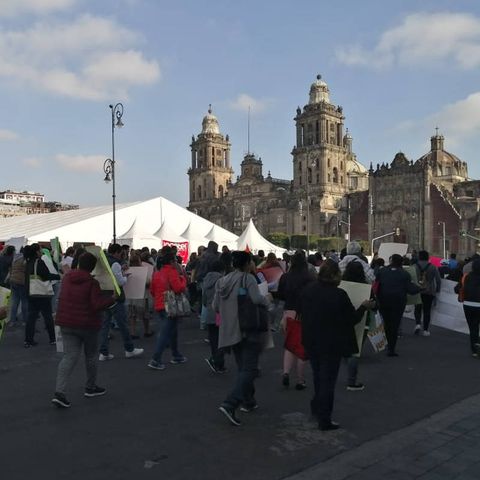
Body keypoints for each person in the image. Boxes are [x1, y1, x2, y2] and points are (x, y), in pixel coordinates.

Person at [299, 259, 372, 431]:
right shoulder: (338, 295)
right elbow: (352, 319)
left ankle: (316, 407)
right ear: (333, 275)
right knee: (328, 381)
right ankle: (324, 418)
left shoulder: (309, 290)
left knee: (318, 376)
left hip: (311, 340)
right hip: (331, 343)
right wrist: (363, 307)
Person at [51, 252, 117, 408]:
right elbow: (96, 305)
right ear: (93, 267)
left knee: (69, 357)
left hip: (66, 322)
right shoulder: (92, 283)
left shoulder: (67, 277)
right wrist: (111, 299)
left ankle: (59, 392)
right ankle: (90, 387)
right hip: (87, 324)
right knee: (91, 356)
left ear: (78, 263)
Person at [214, 251, 270, 426]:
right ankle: (231, 403)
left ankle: (248, 401)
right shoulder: (248, 279)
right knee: (250, 369)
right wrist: (267, 299)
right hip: (248, 328)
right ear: (247, 264)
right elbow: (256, 298)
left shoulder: (222, 281)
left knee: (243, 367)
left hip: (230, 329)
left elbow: (215, 306)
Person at [98, 243, 144, 361]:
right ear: (117, 252)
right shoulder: (115, 263)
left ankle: (103, 352)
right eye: (121, 253)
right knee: (123, 324)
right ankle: (129, 349)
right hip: (116, 297)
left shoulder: (103, 261)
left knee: (105, 326)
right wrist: (125, 277)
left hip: (104, 296)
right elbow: (120, 282)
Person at [277, 251, 315, 390]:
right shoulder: (310, 278)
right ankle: (300, 380)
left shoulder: (285, 277)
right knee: (301, 347)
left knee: (289, 345)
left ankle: (286, 372)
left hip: (288, 313)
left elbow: (280, 295)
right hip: (304, 314)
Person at [148, 247, 188, 370]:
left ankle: (176, 354)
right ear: (171, 261)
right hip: (170, 306)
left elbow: (152, 290)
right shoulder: (172, 272)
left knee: (171, 331)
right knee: (165, 333)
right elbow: (178, 288)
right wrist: (183, 278)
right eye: (175, 260)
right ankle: (156, 359)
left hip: (160, 305)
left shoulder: (157, 272)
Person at [375, 254, 421, 356]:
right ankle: (391, 348)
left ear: (391, 261)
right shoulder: (404, 274)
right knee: (395, 324)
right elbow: (411, 290)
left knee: (387, 323)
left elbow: (376, 286)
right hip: (398, 302)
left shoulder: (382, 272)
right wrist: (421, 288)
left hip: (384, 301)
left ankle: (387, 342)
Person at [24, 243, 60, 347]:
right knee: (47, 316)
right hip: (41, 294)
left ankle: (28, 340)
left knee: (31, 317)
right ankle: (52, 338)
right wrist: (58, 276)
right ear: (37, 252)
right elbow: (45, 276)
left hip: (31, 293)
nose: (41, 252)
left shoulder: (28, 262)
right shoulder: (38, 262)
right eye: (40, 250)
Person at [203, 260, 226, 373]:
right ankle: (218, 362)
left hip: (209, 310)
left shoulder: (206, 279)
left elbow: (203, 297)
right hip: (219, 311)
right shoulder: (222, 280)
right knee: (222, 339)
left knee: (213, 339)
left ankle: (215, 360)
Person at [414, 250, 441, 336]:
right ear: (427, 257)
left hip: (417, 291)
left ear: (419, 257)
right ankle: (425, 330)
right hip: (429, 291)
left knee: (417, 308)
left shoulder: (414, 266)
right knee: (427, 311)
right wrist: (437, 289)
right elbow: (438, 280)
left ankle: (418, 324)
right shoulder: (433, 267)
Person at [460, 258, 480, 357]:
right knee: (477, 326)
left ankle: (474, 350)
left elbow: (459, 288)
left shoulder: (467, 276)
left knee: (472, 327)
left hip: (467, 304)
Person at [8, 246, 29, 328]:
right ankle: (25, 321)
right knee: (24, 301)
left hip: (13, 281)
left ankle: (12, 321)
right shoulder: (24, 260)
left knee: (15, 301)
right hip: (21, 282)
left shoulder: (15, 259)